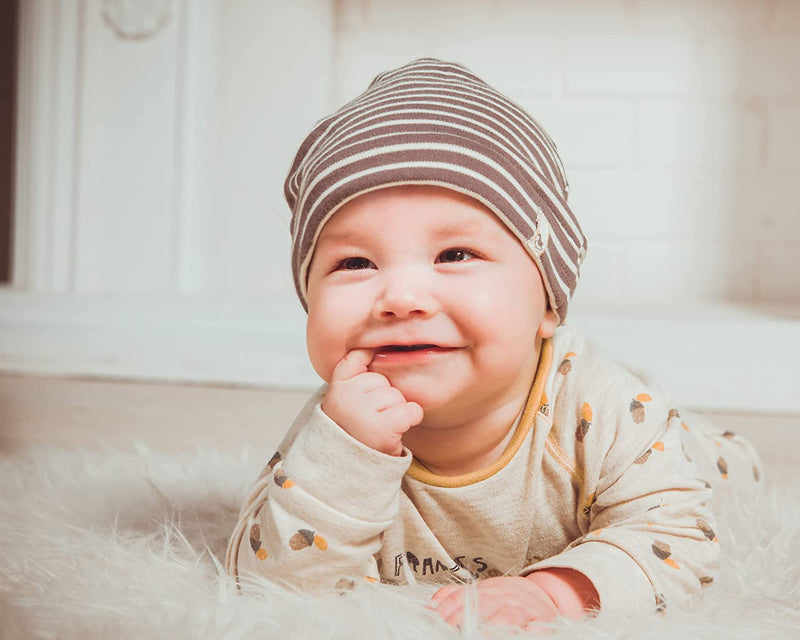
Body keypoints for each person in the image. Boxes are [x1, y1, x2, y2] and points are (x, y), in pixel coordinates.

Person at [225, 58, 761, 629]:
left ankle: (716, 446)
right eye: (355, 262)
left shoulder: (603, 405)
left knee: (709, 470)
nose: (401, 297)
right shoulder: (339, 430)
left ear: (548, 303)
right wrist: (344, 461)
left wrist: (557, 593)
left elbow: (678, 538)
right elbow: (267, 583)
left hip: (658, 445)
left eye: (455, 255)